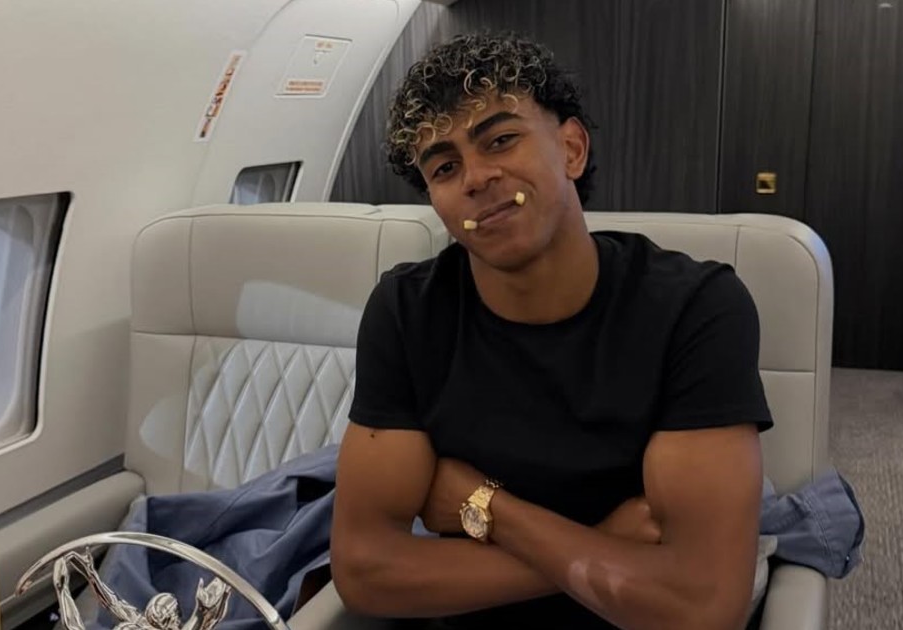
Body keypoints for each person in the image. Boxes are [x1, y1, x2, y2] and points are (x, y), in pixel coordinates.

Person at [330, 31, 772, 630]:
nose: (475, 177)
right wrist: (602, 543)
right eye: (445, 166)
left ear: (571, 148)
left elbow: (700, 606)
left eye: (501, 140)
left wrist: (487, 508)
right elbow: (364, 571)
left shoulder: (695, 309)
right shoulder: (406, 313)